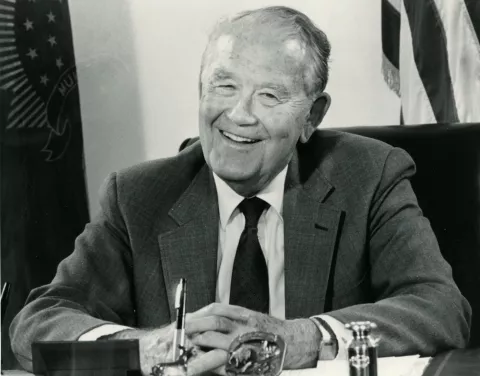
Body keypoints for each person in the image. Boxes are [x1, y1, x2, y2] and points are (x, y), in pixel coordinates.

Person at [10, 6, 471, 376]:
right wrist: (145, 348)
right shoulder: (137, 196)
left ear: (312, 117)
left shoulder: (368, 176)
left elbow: (441, 309)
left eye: (269, 96)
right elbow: (37, 326)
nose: (239, 115)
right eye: (223, 85)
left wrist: (300, 338)